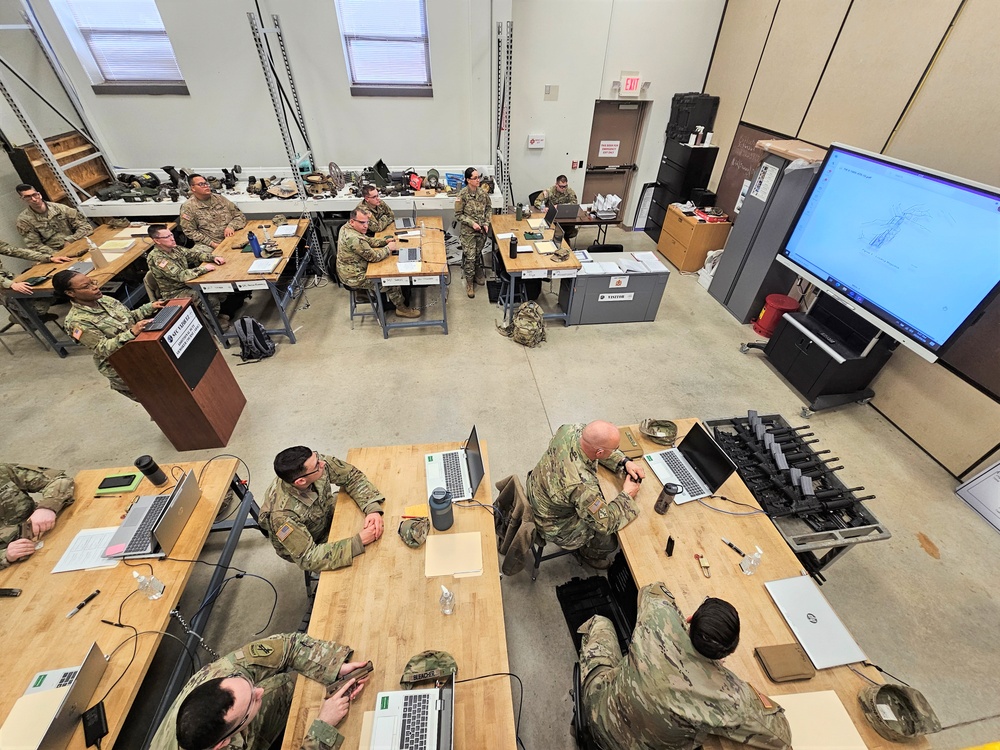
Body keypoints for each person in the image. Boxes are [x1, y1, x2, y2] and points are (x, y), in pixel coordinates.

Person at [578, 583, 792, 750]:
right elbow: (782, 736)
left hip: (597, 710)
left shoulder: (658, 618)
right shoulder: (730, 698)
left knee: (600, 623)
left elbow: (651, 590)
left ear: (689, 620)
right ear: (731, 650)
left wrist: (678, 625)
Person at [149, 632, 368, 750]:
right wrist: (323, 726)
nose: (260, 690)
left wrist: (333, 665)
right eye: (252, 701)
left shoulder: (224, 673)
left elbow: (288, 645)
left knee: (284, 685)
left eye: (248, 684)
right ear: (222, 744)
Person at [526, 420, 645, 568]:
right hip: (552, 523)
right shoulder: (582, 485)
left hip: (538, 489)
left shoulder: (569, 430)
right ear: (599, 453)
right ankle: (588, 554)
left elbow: (594, 445)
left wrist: (624, 461)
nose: (616, 451)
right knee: (609, 541)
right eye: (615, 449)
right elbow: (605, 523)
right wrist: (627, 494)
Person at [259, 446, 387, 572]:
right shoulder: (282, 517)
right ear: (301, 481)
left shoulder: (313, 464)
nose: (323, 463)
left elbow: (351, 475)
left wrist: (371, 509)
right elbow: (308, 558)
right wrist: (357, 542)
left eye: (317, 457)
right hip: (312, 541)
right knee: (368, 566)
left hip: (325, 510)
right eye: (317, 465)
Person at [53, 269, 164, 401]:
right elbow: (102, 348)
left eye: (92, 282)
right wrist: (132, 333)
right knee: (157, 403)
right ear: (70, 293)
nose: (95, 287)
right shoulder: (77, 322)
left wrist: (149, 307)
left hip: (139, 353)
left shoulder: (104, 300)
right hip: (123, 369)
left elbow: (128, 317)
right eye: (86, 286)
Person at [145, 224, 240, 330]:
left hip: (187, 284)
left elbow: (193, 254)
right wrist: (204, 269)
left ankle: (212, 315)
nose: (172, 238)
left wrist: (212, 257)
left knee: (218, 289)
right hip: (176, 292)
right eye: (167, 237)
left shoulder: (173, 248)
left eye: (171, 234)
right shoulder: (158, 258)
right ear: (157, 241)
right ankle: (212, 325)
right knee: (210, 297)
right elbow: (181, 276)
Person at [335, 208, 419, 319]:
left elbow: (367, 240)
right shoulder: (354, 239)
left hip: (349, 270)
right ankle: (401, 309)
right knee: (392, 282)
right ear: (352, 221)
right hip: (355, 277)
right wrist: (388, 248)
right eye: (362, 222)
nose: (366, 226)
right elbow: (374, 257)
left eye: (367, 222)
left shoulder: (346, 228)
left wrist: (384, 242)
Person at [1, 463, 74, 571]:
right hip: (16, 566)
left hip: (47, 529)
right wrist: (4, 555)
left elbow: (59, 479)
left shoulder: (3, 471)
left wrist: (47, 507)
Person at [14, 183, 93, 256]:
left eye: (35, 195)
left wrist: (70, 240)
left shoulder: (60, 208)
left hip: (75, 244)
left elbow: (86, 226)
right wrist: (58, 254)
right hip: (53, 254)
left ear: (39, 195)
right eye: (28, 197)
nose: (34, 199)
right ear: (22, 199)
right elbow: (35, 246)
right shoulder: (24, 220)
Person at [178, 174, 247, 250]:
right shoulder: (188, 207)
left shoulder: (219, 199)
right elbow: (190, 231)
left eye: (206, 183)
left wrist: (231, 227)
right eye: (201, 184)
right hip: (208, 244)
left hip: (231, 235)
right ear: (193, 188)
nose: (206, 186)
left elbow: (239, 216)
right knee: (199, 254)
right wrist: (212, 244)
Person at [453, 167, 489, 298]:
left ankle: (477, 271)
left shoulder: (483, 193)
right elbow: (458, 215)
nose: (478, 180)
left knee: (478, 253)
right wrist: (471, 223)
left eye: (478, 177)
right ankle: (469, 282)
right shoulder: (462, 195)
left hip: (481, 231)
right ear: (468, 180)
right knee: (470, 257)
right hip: (468, 232)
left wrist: (486, 222)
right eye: (475, 178)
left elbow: (489, 209)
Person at [532, 174, 579, 244]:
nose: (563, 188)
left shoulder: (569, 191)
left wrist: (561, 206)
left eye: (565, 186)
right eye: (561, 186)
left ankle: (566, 241)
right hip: (552, 218)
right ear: (556, 184)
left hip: (565, 217)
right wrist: (544, 208)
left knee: (569, 229)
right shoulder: (549, 191)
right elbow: (537, 202)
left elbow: (574, 203)